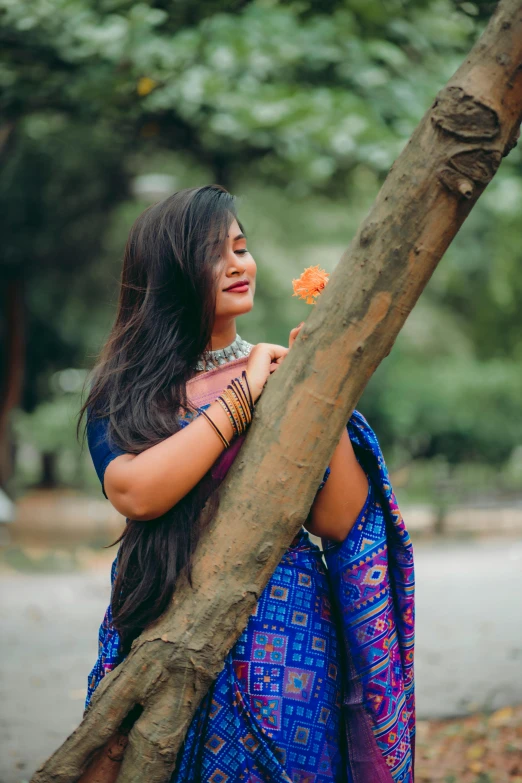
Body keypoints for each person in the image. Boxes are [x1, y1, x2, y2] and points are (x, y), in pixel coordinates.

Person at [78, 184, 415, 783]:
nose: (238, 264)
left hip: (283, 640)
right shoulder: (125, 391)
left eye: (240, 246)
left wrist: (320, 388)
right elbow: (135, 492)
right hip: (161, 627)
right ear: (170, 277)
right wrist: (245, 394)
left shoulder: (285, 373)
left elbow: (338, 523)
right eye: (215, 253)